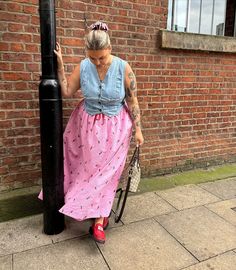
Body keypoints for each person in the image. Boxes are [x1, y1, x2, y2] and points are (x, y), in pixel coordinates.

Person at [53, 21, 144, 244]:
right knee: (88, 173)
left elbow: (132, 101)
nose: (97, 62)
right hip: (86, 129)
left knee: (107, 175)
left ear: (110, 49)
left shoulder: (124, 68)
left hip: (116, 129)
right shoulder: (83, 66)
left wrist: (139, 130)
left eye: (101, 57)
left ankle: (99, 222)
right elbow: (66, 91)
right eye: (92, 57)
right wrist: (61, 67)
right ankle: (94, 214)